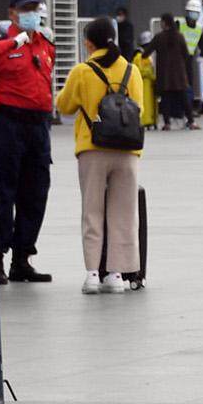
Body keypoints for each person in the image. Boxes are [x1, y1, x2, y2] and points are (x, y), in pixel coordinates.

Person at [52, 17, 147, 294]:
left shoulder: (83, 71)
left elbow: (65, 105)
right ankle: (116, 274)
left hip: (92, 148)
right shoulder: (131, 70)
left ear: (88, 42)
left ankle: (93, 273)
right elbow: (138, 107)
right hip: (128, 150)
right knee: (124, 213)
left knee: (92, 210)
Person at [0, 0, 56, 282]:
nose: (32, 13)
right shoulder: (1, 44)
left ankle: (22, 258)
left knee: (36, 192)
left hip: (38, 125)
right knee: (4, 193)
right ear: (12, 12)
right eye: (26, 8)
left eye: (35, 8)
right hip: (8, 124)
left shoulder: (45, 44)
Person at [147, 14, 197, 130]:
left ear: (165, 23)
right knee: (184, 98)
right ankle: (191, 121)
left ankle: (167, 123)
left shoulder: (159, 37)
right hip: (179, 75)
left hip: (164, 75)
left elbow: (147, 52)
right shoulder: (179, 36)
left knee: (166, 99)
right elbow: (186, 54)